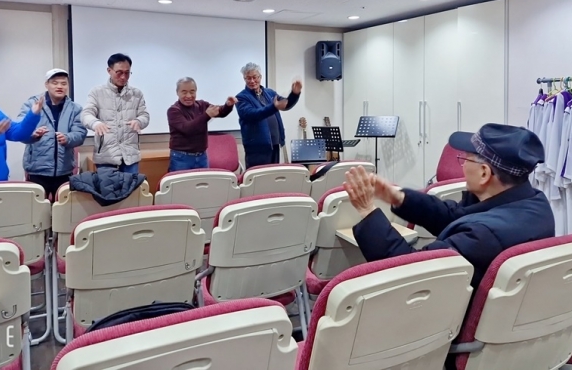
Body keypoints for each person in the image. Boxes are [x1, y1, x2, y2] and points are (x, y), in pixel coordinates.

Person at [344, 123, 555, 290]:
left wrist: (367, 211)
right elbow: (455, 215)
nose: (462, 165)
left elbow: (408, 271)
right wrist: (398, 197)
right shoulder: (535, 204)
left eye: (465, 159)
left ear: (484, 173)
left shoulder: (482, 236)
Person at [19, 69, 87, 200]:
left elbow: (80, 134)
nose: (59, 87)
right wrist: (33, 134)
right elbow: (20, 131)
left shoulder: (75, 109)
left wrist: (68, 138)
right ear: (47, 84)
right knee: (37, 209)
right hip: (37, 170)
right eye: (55, 83)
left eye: (63, 83)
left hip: (64, 171)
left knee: (63, 208)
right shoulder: (32, 104)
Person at [81, 53, 150, 173]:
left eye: (127, 73)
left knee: (132, 185)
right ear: (109, 70)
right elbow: (86, 114)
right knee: (107, 185)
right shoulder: (97, 92)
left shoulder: (136, 94)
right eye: (119, 72)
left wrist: (139, 121)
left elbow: (145, 115)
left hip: (130, 155)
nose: (123, 77)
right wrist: (95, 123)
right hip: (106, 155)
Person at [235, 63, 302, 168]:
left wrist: (294, 94)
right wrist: (273, 107)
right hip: (257, 148)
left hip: (275, 143)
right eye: (248, 78)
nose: (252, 81)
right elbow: (253, 114)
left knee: (273, 175)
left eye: (254, 77)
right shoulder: (241, 97)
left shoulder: (269, 93)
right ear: (244, 79)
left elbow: (285, 104)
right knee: (258, 176)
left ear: (260, 77)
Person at [167, 77, 237, 171]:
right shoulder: (173, 110)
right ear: (177, 92)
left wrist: (228, 105)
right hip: (181, 158)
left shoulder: (201, 105)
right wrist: (206, 115)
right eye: (184, 92)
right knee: (182, 181)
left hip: (202, 156)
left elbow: (219, 111)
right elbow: (187, 129)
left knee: (204, 181)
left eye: (192, 92)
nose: (189, 95)